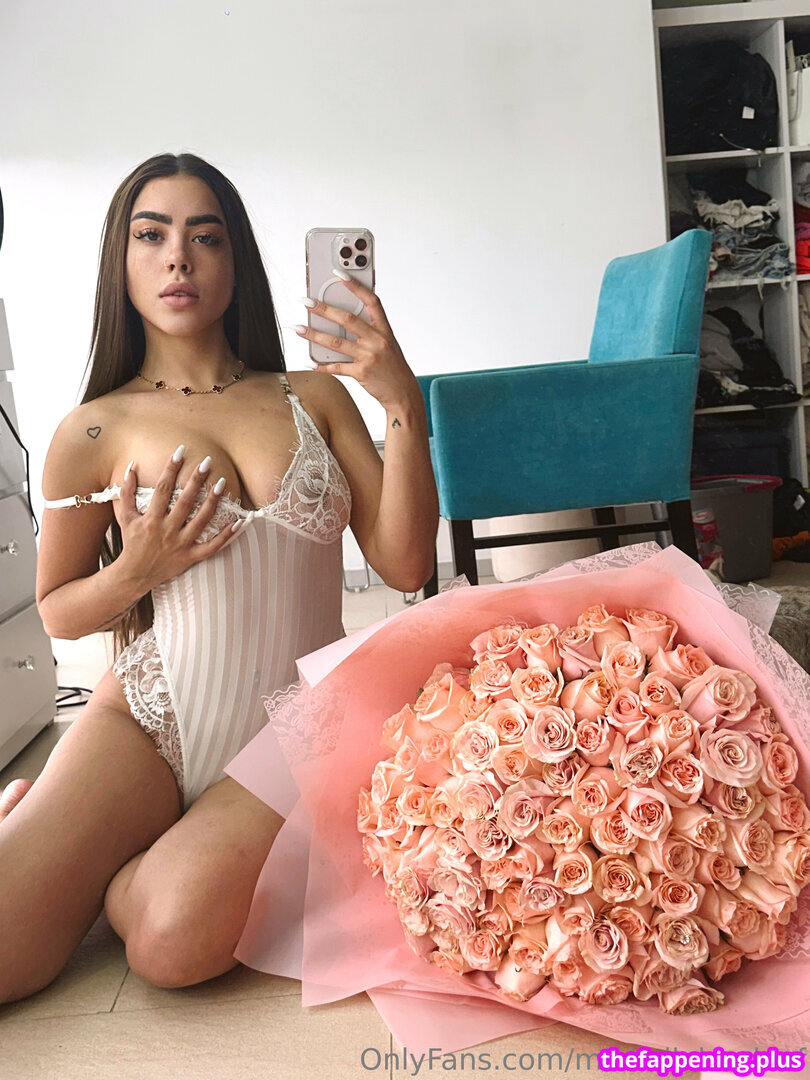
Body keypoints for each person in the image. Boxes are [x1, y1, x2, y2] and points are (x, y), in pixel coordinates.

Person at [0, 152, 438, 1004]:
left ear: (237, 262)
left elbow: (407, 563)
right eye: (151, 235)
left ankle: (123, 858)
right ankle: (52, 829)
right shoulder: (91, 429)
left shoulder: (313, 397)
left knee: (170, 942)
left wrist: (400, 402)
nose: (178, 257)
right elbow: (57, 613)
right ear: (121, 261)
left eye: (206, 237)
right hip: (146, 719)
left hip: (298, 723)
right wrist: (136, 570)